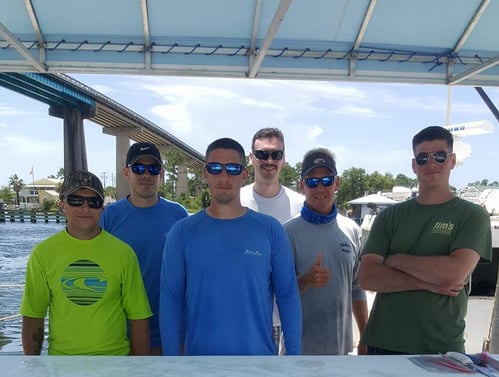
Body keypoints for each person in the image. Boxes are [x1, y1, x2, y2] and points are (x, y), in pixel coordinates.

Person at [159, 137, 302, 356]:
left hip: (259, 366)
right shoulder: (182, 233)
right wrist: (172, 361)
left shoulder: (270, 230)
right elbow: (171, 299)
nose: (223, 176)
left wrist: (294, 357)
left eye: (233, 169)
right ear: (205, 173)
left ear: (244, 175)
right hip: (200, 365)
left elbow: (288, 295)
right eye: (215, 168)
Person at [359, 125, 492, 354]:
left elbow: (453, 274)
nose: (431, 163)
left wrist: (395, 260)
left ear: (452, 160)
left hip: (442, 348)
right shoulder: (389, 217)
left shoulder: (472, 215)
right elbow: (368, 278)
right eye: (423, 157)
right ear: (414, 165)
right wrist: (426, 282)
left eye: (439, 156)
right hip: (383, 344)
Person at [21, 171, 152, 356]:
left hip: (115, 366)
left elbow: (138, 316)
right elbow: (33, 315)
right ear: (62, 204)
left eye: (94, 202)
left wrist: (140, 369)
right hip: (62, 367)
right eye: (76, 200)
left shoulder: (124, 254)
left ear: (102, 208)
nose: (85, 207)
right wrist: (32, 367)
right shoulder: (42, 254)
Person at [100, 141, 188, 353]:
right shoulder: (109, 217)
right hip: (121, 333)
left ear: (161, 174)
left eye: (153, 168)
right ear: (126, 173)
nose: (146, 174)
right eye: (139, 168)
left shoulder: (178, 215)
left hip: (171, 330)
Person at [284, 148, 368, 355]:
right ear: (302, 185)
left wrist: (366, 336)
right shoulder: (287, 232)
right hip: (299, 353)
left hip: (341, 352)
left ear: (337, 183)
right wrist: (305, 280)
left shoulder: (352, 230)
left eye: (326, 180)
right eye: (312, 181)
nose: (319, 187)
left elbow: (357, 288)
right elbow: (277, 294)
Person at [240, 127, 304, 347]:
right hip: (246, 319)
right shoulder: (235, 201)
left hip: (287, 320)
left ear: (284, 158)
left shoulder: (301, 205)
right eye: (262, 154)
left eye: (276, 154)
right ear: (251, 158)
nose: (269, 160)